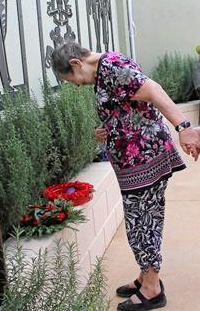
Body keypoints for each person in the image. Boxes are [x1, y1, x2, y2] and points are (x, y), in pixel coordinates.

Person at [50, 42, 199, 311]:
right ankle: (146, 276)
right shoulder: (105, 71)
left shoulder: (111, 66)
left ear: (75, 63)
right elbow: (129, 105)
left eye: (70, 79)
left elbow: (153, 91)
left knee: (142, 222)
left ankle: (152, 289)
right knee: (143, 219)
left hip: (144, 159)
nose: (74, 84)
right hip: (135, 160)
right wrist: (108, 127)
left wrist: (184, 127)